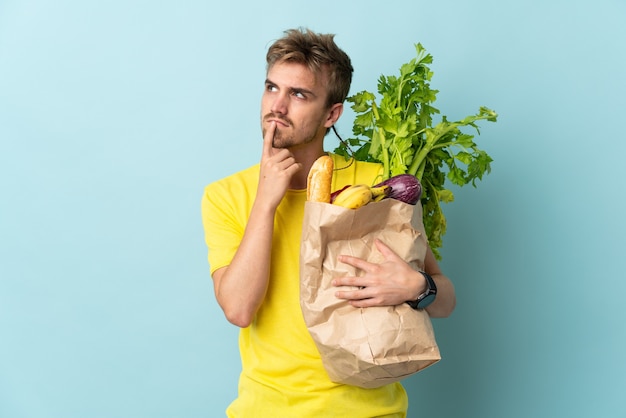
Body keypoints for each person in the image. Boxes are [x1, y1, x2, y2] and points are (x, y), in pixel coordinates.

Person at [201, 27, 456, 418]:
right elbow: (238, 310)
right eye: (272, 88)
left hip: (370, 411)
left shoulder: (374, 184)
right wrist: (266, 202)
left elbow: (446, 301)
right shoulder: (226, 195)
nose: (277, 107)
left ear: (332, 113)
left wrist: (417, 287)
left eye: (299, 94)